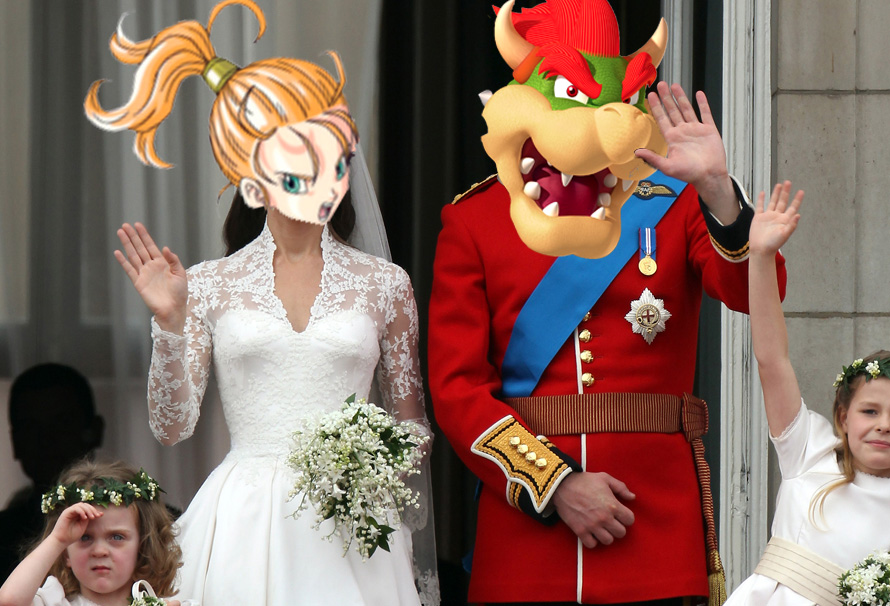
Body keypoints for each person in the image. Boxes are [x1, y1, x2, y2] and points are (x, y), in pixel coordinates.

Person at [427, 0, 787, 603]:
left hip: (652, 532)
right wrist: (553, 484)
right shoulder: (475, 219)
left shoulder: (672, 201)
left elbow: (755, 293)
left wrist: (717, 191)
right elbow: (457, 389)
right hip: (527, 547)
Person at [83, 1, 438, 605]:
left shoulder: (386, 284)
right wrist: (170, 323)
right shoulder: (208, 283)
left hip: (353, 530)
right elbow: (172, 427)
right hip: (243, 523)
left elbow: (414, 423)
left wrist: (367, 466)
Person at [726, 183, 890, 604]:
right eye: (870, 411)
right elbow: (772, 360)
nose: (884, 426)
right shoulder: (809, 451)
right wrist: (761, 257)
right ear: (843, 417)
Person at [0, 460, 183, 606]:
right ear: (65, 554)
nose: (100, 551)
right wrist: (57, 539)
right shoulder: (53, 602)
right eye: (84, 538)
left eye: (117, 537)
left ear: (142, 546)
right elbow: (9, 601)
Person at [0, 364, 104, 584]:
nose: (46, 439)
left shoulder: (150, 522)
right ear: (15, 441)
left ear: (95, 431)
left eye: (62, 423)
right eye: (31, 427)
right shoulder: (2, 535)